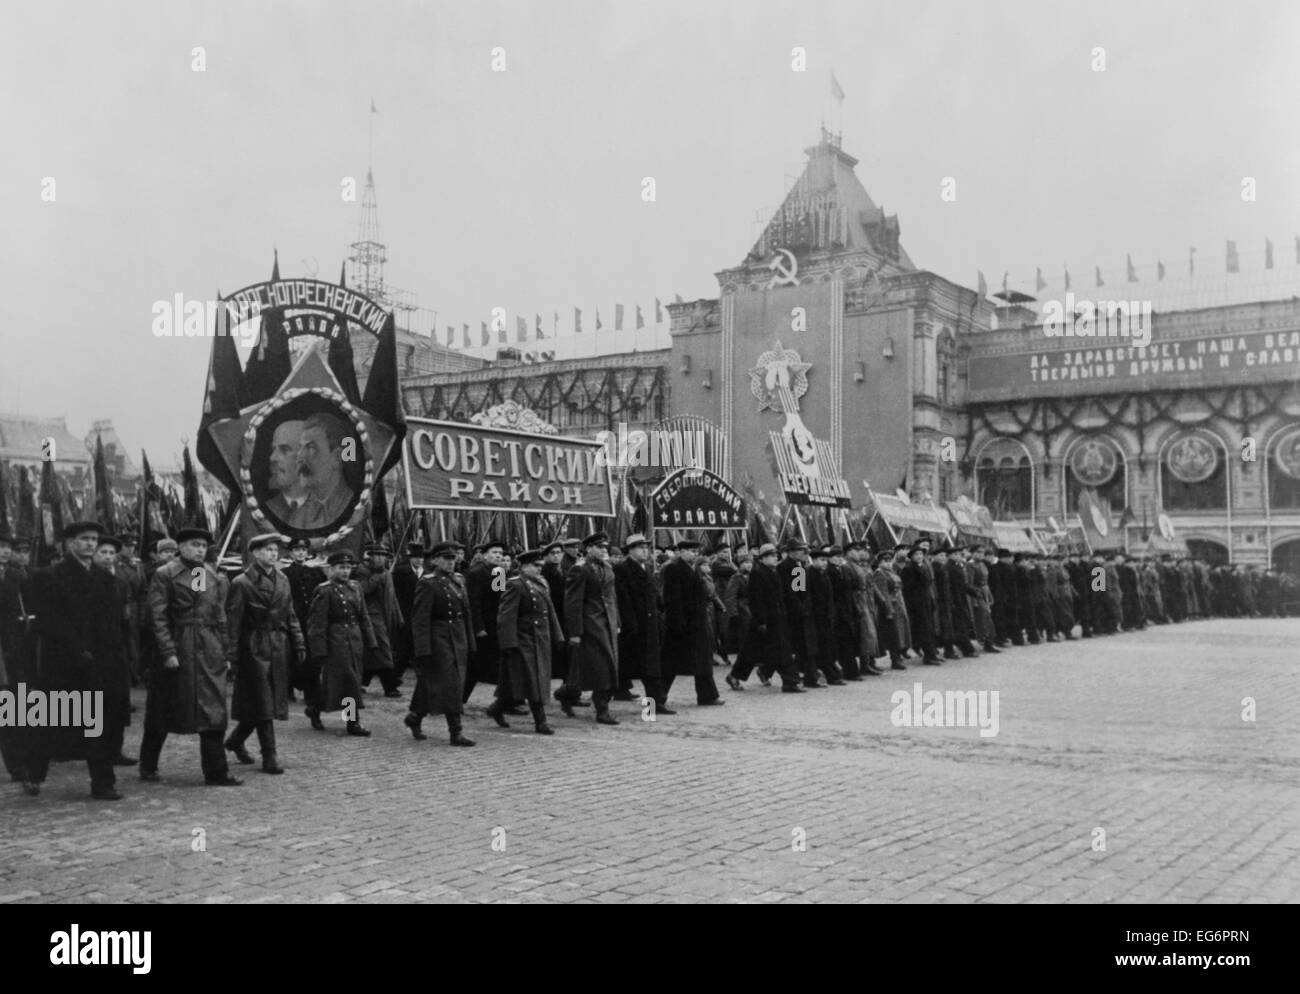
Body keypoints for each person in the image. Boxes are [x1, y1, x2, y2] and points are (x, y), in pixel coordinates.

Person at [21, 521, 130, 799]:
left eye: (94, 539)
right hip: (63, 662)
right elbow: (47, 619)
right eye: (84, 539)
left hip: (99, 662)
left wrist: (113, 657)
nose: (91, 544)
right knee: (51, 721)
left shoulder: (106, 579)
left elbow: (111, 622)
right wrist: (75, 647)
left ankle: (103, 782)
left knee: (99, 723)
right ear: (70, 543)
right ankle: (34, 771)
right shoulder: (48, 576)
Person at [140, 525, 240, 786]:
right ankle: (148, 764)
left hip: (209, 649)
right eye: (194, 545)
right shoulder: (165, 574)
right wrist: (168, 652)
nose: (199, 550)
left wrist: (225, 651)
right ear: (181, 547)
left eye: (203, 546)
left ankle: (216, 771)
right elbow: (157, 616)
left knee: (213, 710)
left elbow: (220, 616)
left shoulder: (212, 575)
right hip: (179, 645)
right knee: (163, 709)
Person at [225, 532, 305, 774]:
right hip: (254, 647)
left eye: (275, 550)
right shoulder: (241, 582)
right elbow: (233, 623)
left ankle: (234, 741)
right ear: (256, 553)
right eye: (268, 550)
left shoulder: (282, 579)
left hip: (279, 647)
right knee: (263, 702)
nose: (273, 554)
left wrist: (299, 642)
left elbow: (290, 614)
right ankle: (269, 755)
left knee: (263, 703)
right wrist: (232, 657)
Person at [407, 542, 477, 746]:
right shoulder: (428, 583)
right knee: (451, 684)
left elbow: (466, 613)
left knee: (432, 682)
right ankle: (456, 731)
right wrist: (422, 649)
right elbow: (420, 619)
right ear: (435, 560)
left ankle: (414, 717)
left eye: (453, 559)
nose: (450, 563)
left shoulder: (459, 580)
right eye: (446, 559)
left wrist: (470, 641)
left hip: (458, 636)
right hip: (438, 638)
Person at [305, 550, 377, 736]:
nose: (345, 572)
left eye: (348, 567)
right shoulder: (325, 590)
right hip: (335, 641)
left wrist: (371, 641)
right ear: (331, 569)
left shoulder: (356, 587)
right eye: (340, 568)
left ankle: (315, 708)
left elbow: (363, 616)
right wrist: (319, 650)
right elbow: (317, 623)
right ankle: (352, 722)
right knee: (348, 683)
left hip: (354, 640)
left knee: (344, 682)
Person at [496, 548, 564, 734]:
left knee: (523, 681)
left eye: (541, 565)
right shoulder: (513, 583)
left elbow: (549, 611)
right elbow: (505, 615)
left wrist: (557, 635)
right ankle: (540, 721)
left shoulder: (541, 583)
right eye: (536, 565)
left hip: (540, 638)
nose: (539, 569)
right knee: (532, 680)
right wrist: (508, 643)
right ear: (524, 566)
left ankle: (497, 708)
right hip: (523, 638)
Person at [562, 532, 622, 723]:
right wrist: (575, 632)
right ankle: (602, 710)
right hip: (590, 625)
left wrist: (617, 621)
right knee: (601, 668)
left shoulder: (607, 567)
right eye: (600, 547)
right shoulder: (579, 570)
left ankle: (566, 692)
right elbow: (573, 603)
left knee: (601, 667)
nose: (604, 551)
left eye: (605, 547)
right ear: (588, 549)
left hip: (608, 624)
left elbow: (612, 598)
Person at [661, 539, 724, 706]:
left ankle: (708, 696)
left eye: (696, 551)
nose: (694, 554)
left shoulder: (693, 569)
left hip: (697, 623)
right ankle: (656, 700)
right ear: (680, 552)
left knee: (702, 662)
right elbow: (672, 599)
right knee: (670, 665)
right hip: (682, 625)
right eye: (690, 551)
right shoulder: (673, 569)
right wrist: (678, 624)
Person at [92, 533, 136, 766]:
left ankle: (115, 749)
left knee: (119, 702)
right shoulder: (88, 581)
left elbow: (125, 618)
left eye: (111, 553)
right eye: (103, 553)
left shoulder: (119, 581)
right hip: (95, 650)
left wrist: (128, 651)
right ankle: (95, 751)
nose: (108, 557)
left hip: (117, 647)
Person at [614, 534, 669, 711]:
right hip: (636, 627)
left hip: (650, 626)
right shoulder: (623, 569)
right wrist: (631, 626)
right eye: (640, 547)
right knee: (629, 668)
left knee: (650, 670)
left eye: (646, 547)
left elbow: (653, 595)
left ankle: (654, 706)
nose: (645, 550)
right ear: (629, 550)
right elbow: (624, 600)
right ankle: (596, 700)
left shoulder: (645, 567)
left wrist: (660, 609)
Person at [353, 543, 404, 698]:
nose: (382, 558)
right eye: (378, 555)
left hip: (386, 615)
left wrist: (399, 616)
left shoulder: (387, 573)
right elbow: (361, 590)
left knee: (372, 652)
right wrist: (376, 577)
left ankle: (361, 682)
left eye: (384, 555)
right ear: (371, 556)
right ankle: (390, 685)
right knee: (383, 649)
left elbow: (392, 597)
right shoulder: (361, 571)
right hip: (371, 616)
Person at [292, 412, 355, 528]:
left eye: (311, 447)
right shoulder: (299, 515)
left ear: (336, 458)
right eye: (300, 447)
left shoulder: (354, 507)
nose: (300, 456)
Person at [283, 536, 325, 702]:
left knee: (310, 657)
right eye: (297, 550)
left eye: (303, 550)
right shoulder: (284, 573)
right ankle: (288, 689)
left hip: (310, 621)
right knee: (292, 655)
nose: (300, 553)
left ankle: (310, 691)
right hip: (292, 619)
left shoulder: (315, 573)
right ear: (291, 553)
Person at [900, 544, 940, 664]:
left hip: (926, 600)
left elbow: (928, 585)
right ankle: (929, 656)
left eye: (921, 554)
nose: (919, 556)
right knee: (924, 629)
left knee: (929, 628)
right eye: (916, 554)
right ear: (911, 557)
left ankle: (932, 654)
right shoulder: (909, 569)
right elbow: (908, 588)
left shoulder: (924, 567)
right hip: (917, 603)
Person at [264, 419, 310, 522]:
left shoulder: (330, 510)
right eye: (273, 450)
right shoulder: (266, 509)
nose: (272, 458)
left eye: (284, 450)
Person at [722, 549, 753, 691]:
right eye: (745, 563)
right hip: (743, 614)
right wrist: (734, 615)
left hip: (753, 614)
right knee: (748, 647)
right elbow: (730, 597)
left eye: (750, 562)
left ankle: (766, 671)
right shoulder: (736, 578)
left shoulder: (753, 577)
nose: (748, 565)